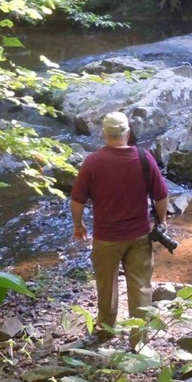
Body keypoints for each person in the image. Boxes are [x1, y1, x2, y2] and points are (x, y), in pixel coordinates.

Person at [70, 111, 169, 350]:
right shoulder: (144, 158)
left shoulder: (92, 161)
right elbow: (161, 195)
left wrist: (78, 225)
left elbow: (77, 200)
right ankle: (140, 341)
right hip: (139, 235)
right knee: (141, 286)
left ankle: (106, 330)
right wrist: (162, 222)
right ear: (128, 132)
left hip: (106, 238)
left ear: (104, 133)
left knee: (106, 284)